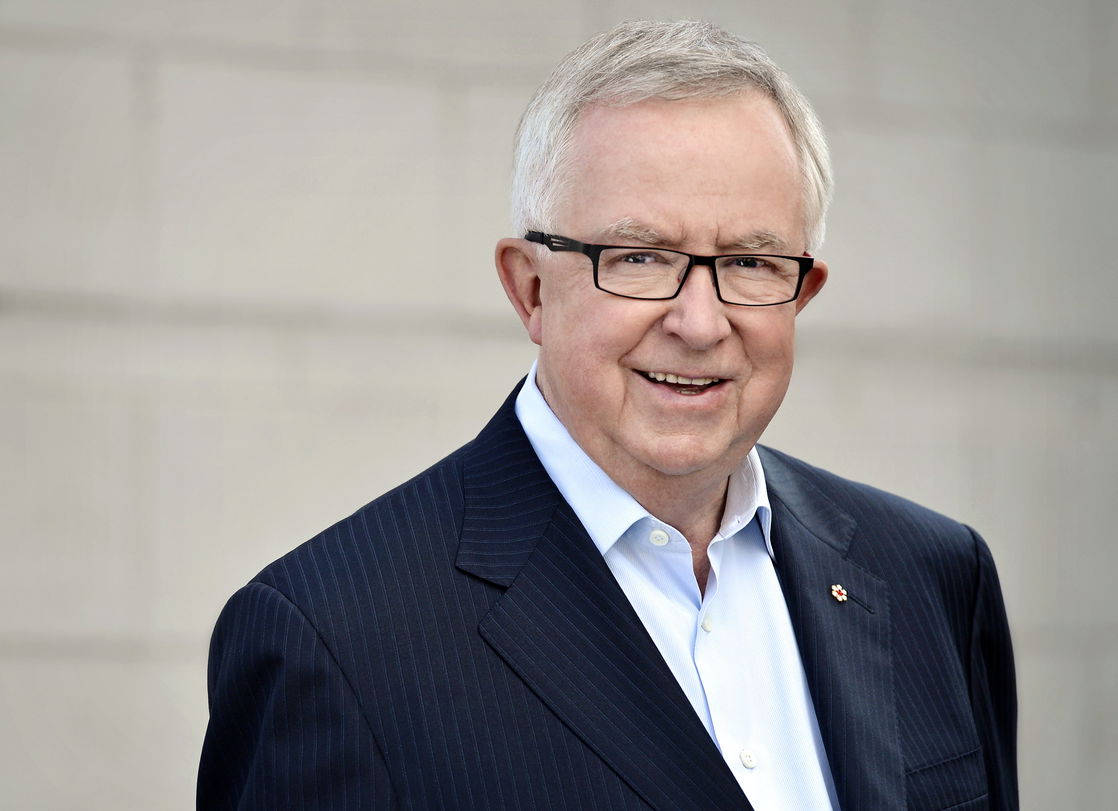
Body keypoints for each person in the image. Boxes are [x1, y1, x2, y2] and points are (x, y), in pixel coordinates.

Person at [198, 19, 1017, 811]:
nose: (700, 323)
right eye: (640, 256)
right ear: (530, 289)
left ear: (802, 293)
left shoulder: (933, 576)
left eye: (749, 261)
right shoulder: (333, 638)